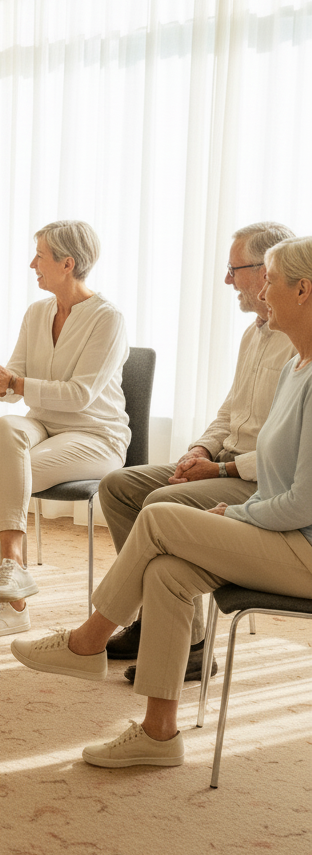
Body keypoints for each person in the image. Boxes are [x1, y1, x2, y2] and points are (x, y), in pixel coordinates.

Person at [9, 235, 312, 768]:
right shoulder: (297, 368)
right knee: (168, 571)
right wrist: (213, 465)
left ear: (303, 291)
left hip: (302, 545)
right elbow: (271, 467)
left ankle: (87, 642)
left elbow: (301, 504)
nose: (262, 291)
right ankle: (158, 733)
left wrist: (233, 511)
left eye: (270, 279)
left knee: (160, 518)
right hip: (279, 524)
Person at [99, 222, 295, 681]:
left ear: (267, 272)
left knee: (160, 505)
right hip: (222, 460)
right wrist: (198, 449)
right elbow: (231, 409)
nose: (228, 281)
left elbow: (284, 451)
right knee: (118, 486)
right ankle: (159, 621)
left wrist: (221, 465)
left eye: (235, 269)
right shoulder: (255, 333)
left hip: (255, 478)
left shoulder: (298, 341)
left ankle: (185, 641)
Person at [0, 220, 128, 637]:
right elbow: (18, 381)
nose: (32, 263)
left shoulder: (108, 319)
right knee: (6, 428)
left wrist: (14, 383)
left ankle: (13, 600)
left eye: (41, 256)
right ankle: (12, 573)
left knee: (11, 471)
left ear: (67, 264)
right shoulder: (37, 312)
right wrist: (1, 380)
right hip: (43, 425)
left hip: (96, 435)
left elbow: (79, 395)